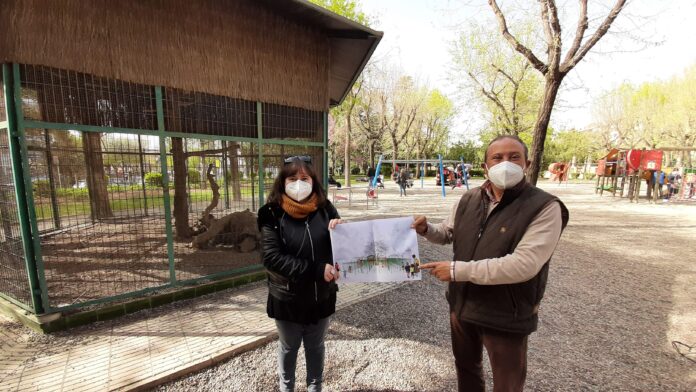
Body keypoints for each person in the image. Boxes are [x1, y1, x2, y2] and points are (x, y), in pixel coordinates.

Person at [413, 135, 569, 392]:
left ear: (527, 163)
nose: (505, 163)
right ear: (485, 166)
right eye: (497, 158)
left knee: (507, 384)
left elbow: (524, 264)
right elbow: (448, 232)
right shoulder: (469, 199)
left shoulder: (545, 207)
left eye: (513, 157)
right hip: (463, 306)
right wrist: (426, 229)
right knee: (467, 370)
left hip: (506, 312)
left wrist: (456, 270)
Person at [257, 155, 342, 392]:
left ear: (313, 181)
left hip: (321, 298)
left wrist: (342, 231)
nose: (298, 183)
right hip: (287, 300)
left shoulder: (325, 208)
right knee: (288, 348)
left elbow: (341, 248)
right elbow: (271, 258)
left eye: (304, 178)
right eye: (292, 178)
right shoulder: (270, 213)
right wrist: (316, 270)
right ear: (282, 182)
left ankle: (315, 387)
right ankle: (287, 388)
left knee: (316, 347)